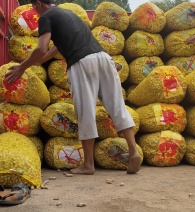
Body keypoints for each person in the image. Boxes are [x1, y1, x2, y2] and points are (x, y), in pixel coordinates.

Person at [6, 0, 141, 175]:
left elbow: (41, 48)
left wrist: (22, 67)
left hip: (82, 63)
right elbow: (56, 46)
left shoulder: (46, 17)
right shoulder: (67, 14)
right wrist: (41, 60)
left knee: (85, 112)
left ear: (38, 3)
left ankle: (88, 164)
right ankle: (133, 151)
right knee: (117, 107)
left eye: (33, 6)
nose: (34, 10)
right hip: (104, 59)